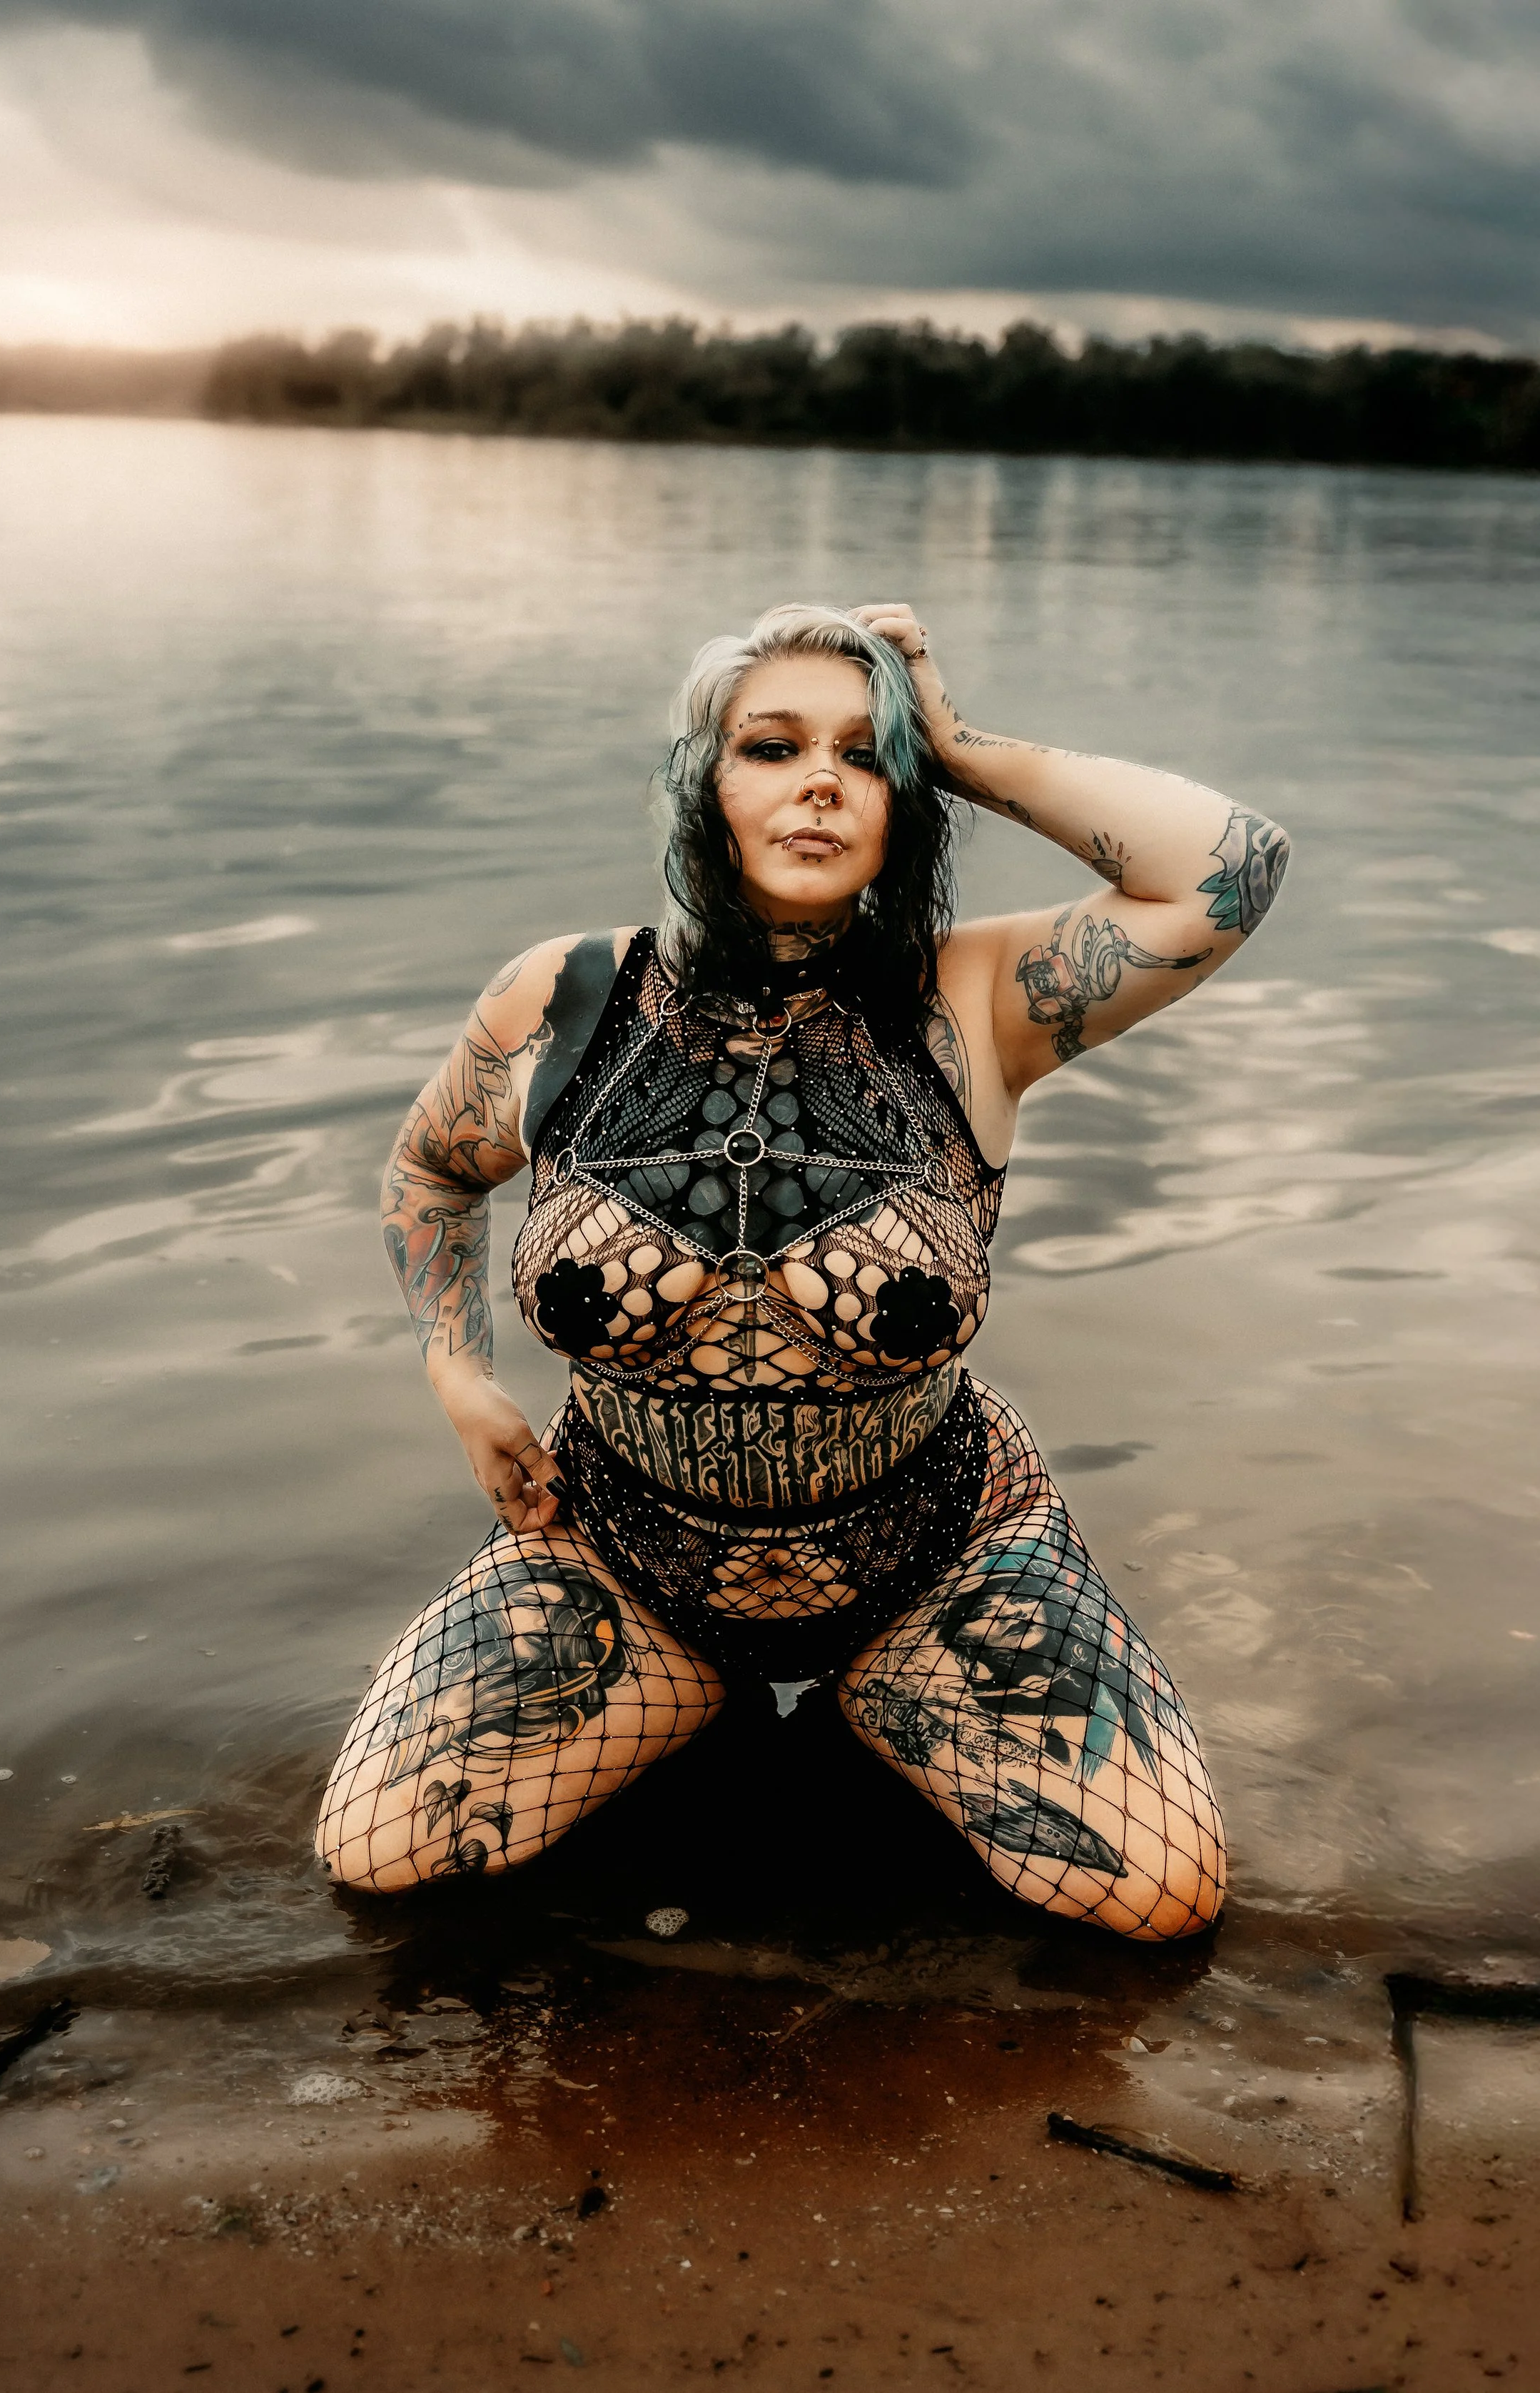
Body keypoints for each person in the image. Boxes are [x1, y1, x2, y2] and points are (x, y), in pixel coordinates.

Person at [317, 601, 1288, 1937]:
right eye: (772, 746)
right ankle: (699, 1695)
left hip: (931, 1551)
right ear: (702, 787)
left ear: (907, 800)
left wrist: (955, 738)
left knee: (1159, 1898)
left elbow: (1231, 868)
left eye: (865, 754)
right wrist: (455, 1372)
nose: (823, 779)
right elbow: (430, 1171)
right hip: (627, 1549)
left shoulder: (976, 1002)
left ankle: (877, 1701)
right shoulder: (566, 998)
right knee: (384, 1856)